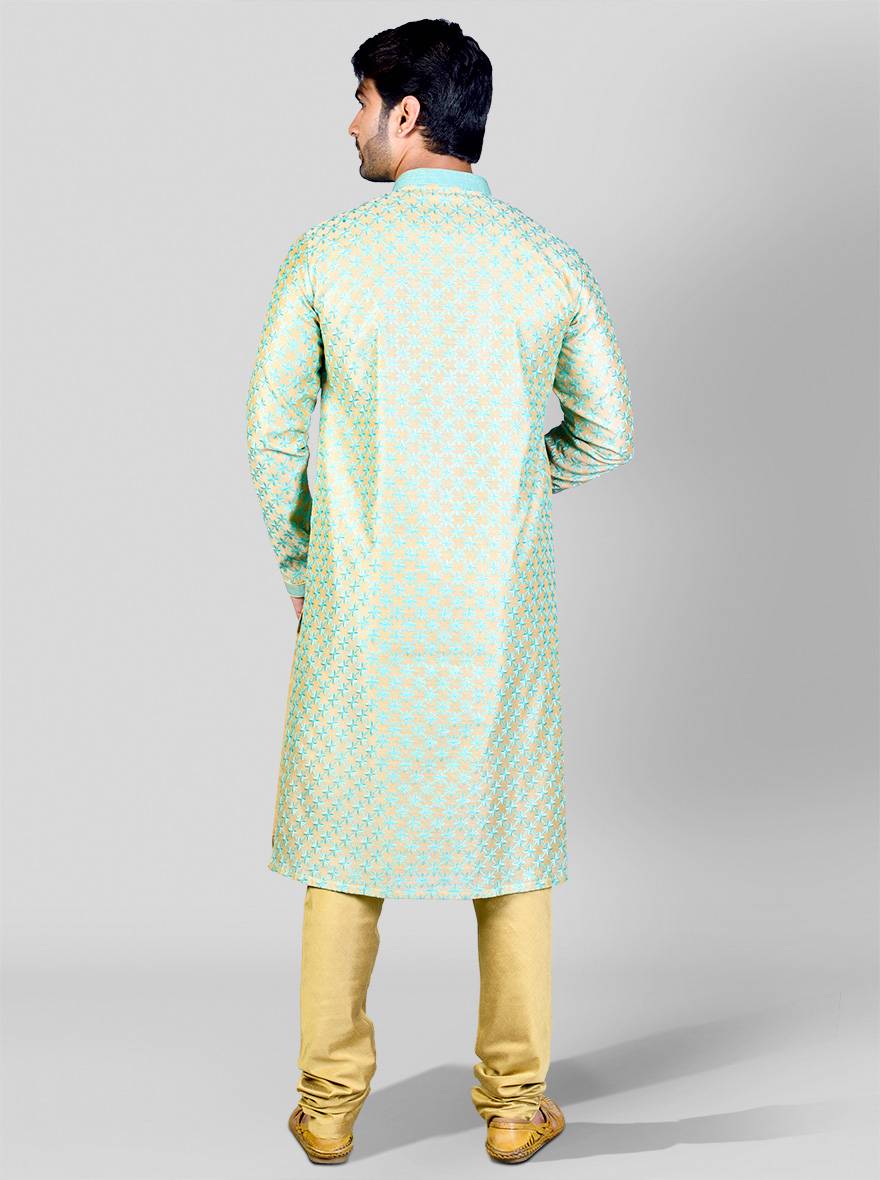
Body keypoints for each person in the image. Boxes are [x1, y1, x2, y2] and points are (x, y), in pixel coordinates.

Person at [245, 17, 634, 1165]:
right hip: (496, 615)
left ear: (407, 113)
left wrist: (306, 568)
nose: (350, 123)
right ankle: (513, 1107)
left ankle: (327, 1107)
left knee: (342, 850)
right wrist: (510, 482)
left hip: (359, 606)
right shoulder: (546, 259)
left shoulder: (326, 255)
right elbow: (607, 432)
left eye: (361, 100)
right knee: (508, 851)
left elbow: (272, 434)